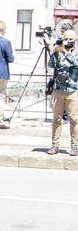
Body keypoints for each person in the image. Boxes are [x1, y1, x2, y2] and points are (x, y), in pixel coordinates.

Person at [45, 27, 78, 156]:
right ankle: (55, 145)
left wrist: (64, 51)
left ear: (75, 40)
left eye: (70, 39)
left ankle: (75, 145)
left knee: (74, 119)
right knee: (56, 119)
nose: (67, 41)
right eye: (65, 39)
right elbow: (51, 65)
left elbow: (75, 63)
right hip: (58, 90)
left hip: (73, 90)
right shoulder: (59, 51)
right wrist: (53, 50)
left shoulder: (75, 53)